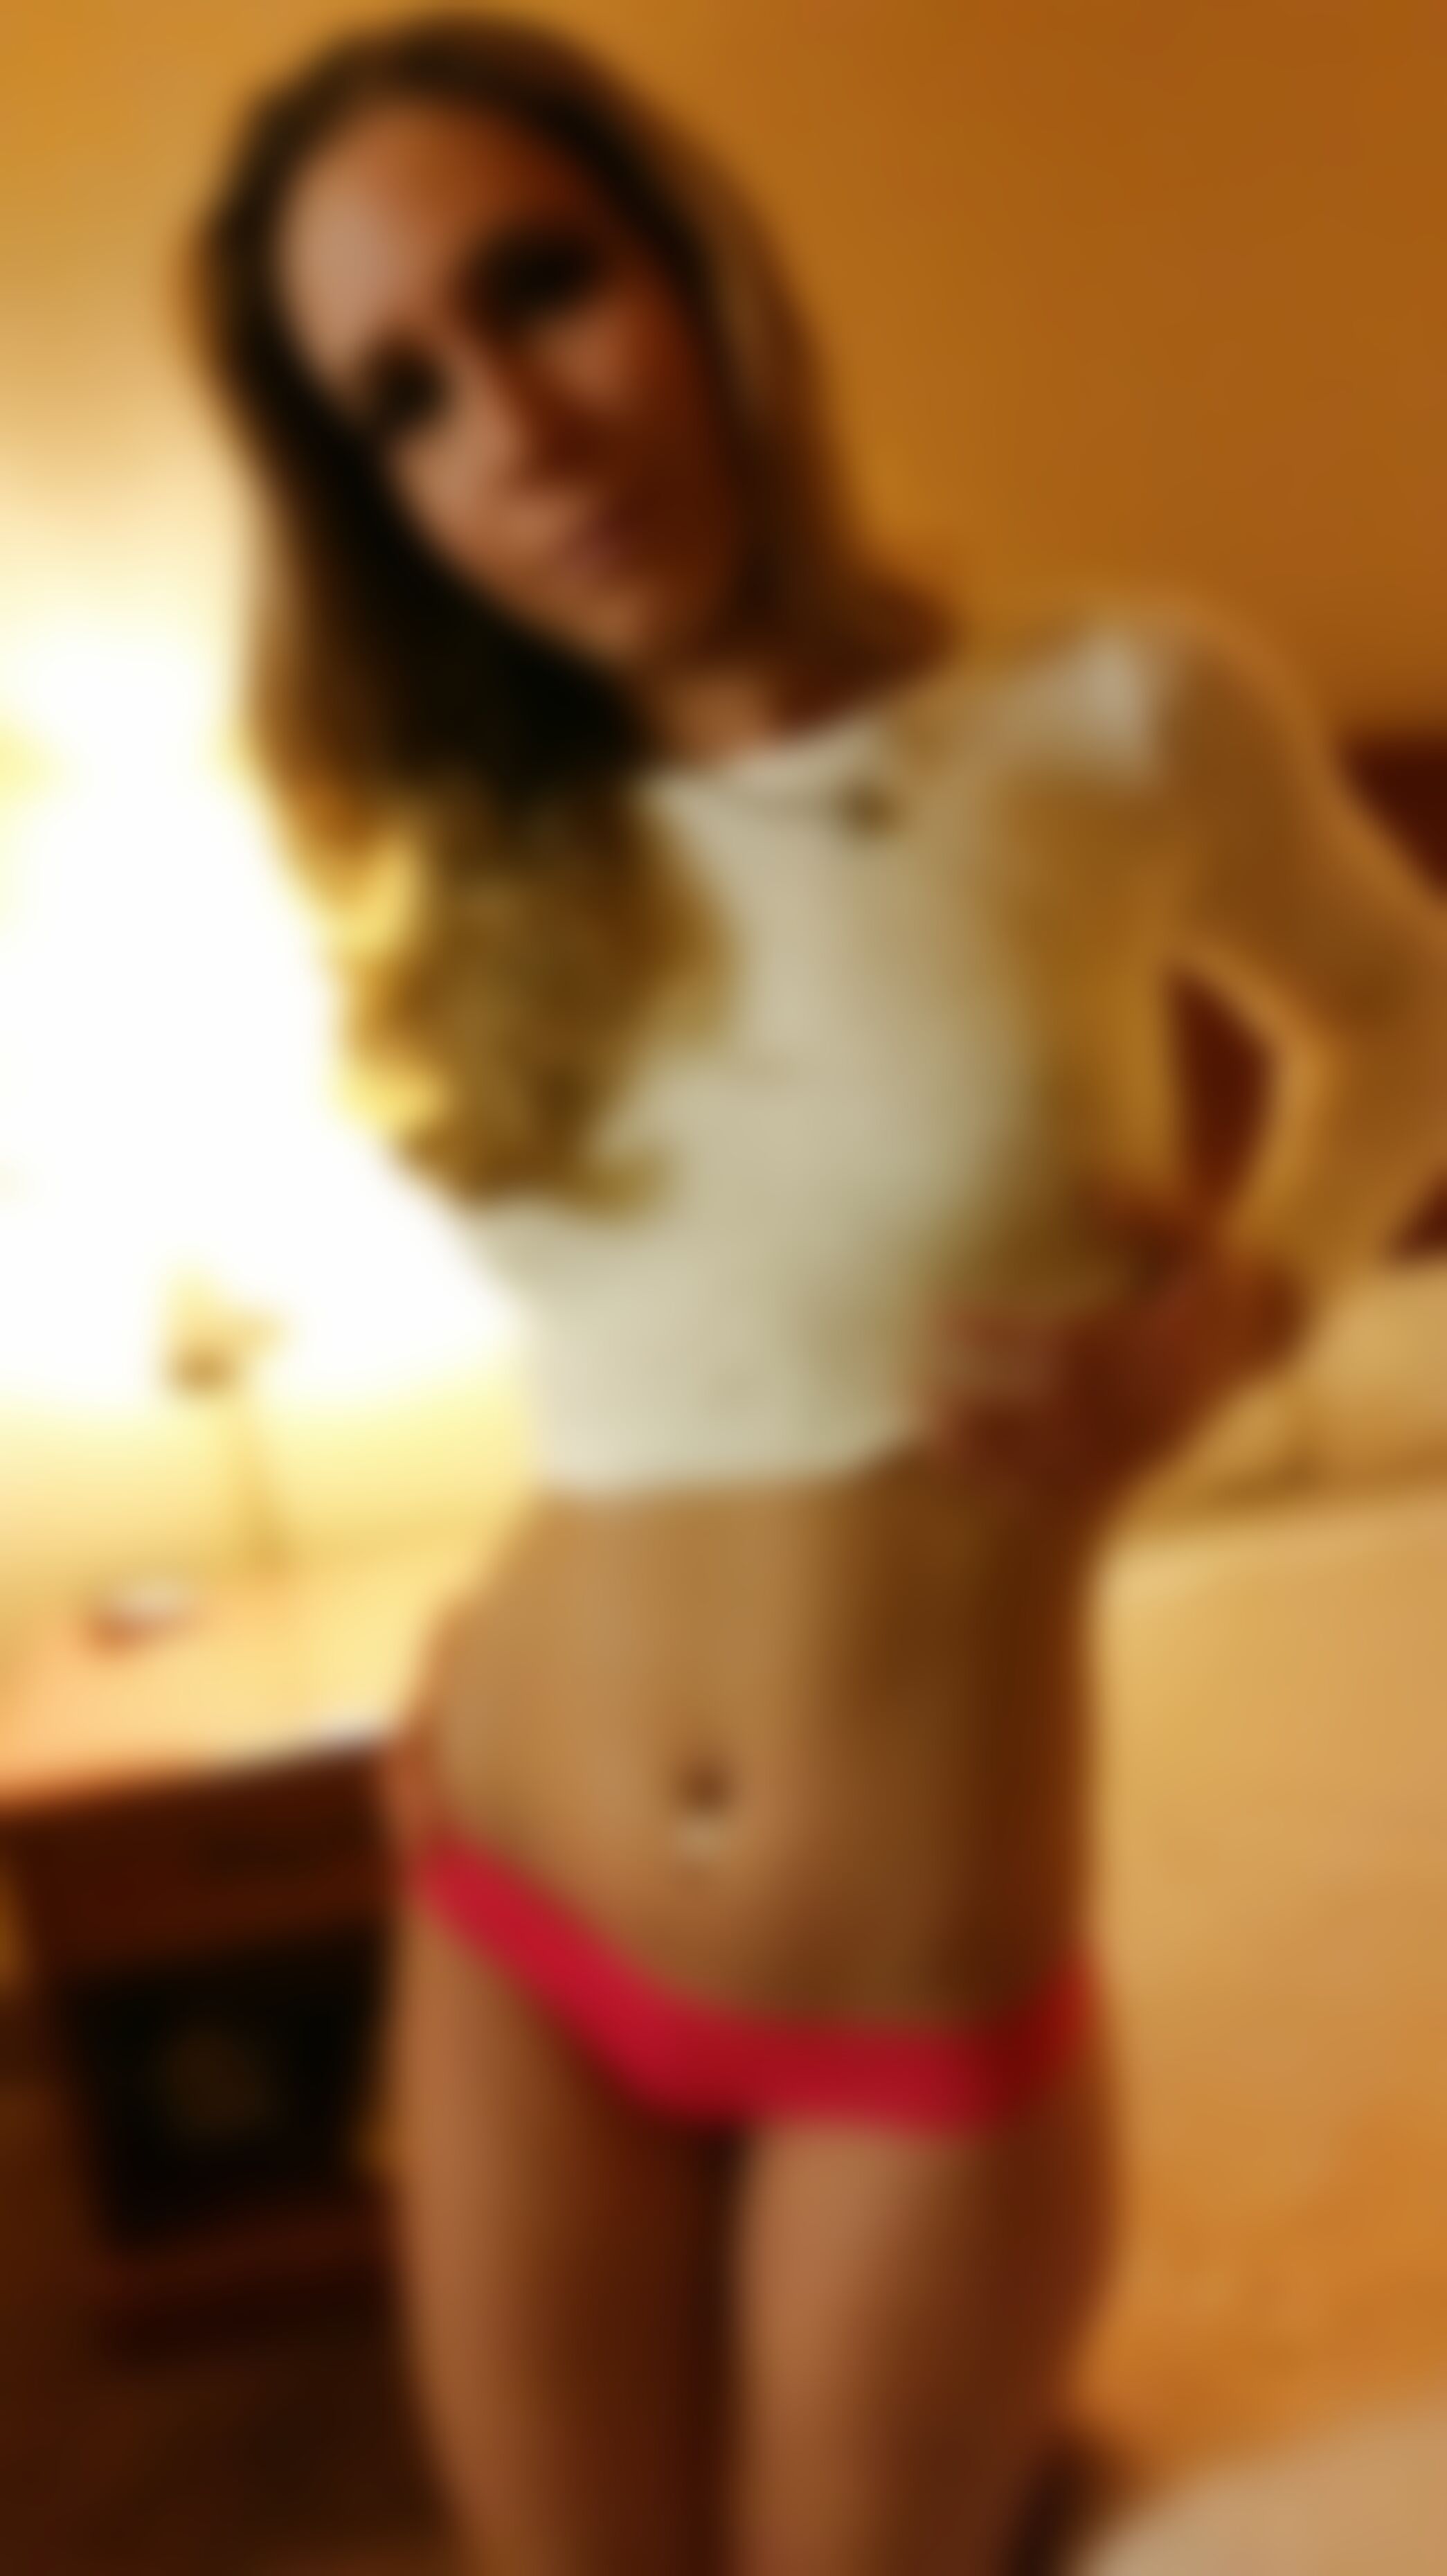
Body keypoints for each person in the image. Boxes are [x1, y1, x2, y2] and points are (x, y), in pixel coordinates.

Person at [177, 16, 1447, 2573]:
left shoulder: (1108, 708)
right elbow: (659, 1342)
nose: (517, 429)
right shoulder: (455, 842)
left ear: (695, 270)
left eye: (543, 288)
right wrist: (494, 1637)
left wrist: (1251, 1315)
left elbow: (1404, 1013)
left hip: (909, 2001)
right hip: (514, 1891)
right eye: (401, 401)